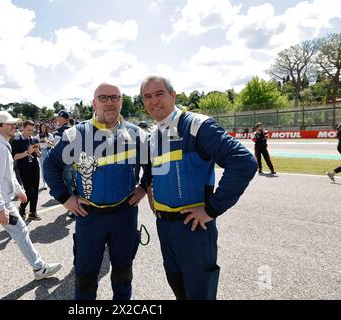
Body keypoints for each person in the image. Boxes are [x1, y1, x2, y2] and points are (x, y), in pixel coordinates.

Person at [140, 76, 257, 300]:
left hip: (193, 227)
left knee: (199, 293)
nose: (154, 101)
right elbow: (151, 171)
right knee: (178, 288)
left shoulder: (196, 125)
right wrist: (149, 191)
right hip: (164, 227)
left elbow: (243, 161)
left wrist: (212, 209)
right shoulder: (153, 135)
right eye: (147, 97)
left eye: (159, 94)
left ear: (173, 95)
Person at [44, 83, 150, 300]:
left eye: (115, 97)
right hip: (89, 216)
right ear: (94, 103)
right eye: (103, 98)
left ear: (121, 101)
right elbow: (50, 165)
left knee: (123, 272)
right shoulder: (76, 134)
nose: (110, 102)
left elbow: (153, 164)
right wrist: (65, 197)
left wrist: (143, 187)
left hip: (124, 214)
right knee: (85, 274)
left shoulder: (136, 133)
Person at [0, 111, 61, 289]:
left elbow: (5, 174)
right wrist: (1, 208)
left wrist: (18, 189)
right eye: (9, 124)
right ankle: (39, 268)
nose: (14, 126)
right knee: (20, 231)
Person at [11, 120, 42, 221]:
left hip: (35, 167)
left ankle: (33, 212)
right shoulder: (16, 139)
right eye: (28, 130)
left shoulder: (34, 138)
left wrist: (37, 152)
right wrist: (28, 152)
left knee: (35, 191)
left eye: (32, 130)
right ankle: (22, 208)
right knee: (29, 192)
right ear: (23, 128)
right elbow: (15, 156)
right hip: (24, 169)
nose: (30, 132)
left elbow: (39, 154)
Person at [37, 123, 54, 191]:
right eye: (42, 127)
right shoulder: (37, 136)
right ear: (40, 128)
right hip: (41, 152)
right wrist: (39, 142)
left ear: (46, 128)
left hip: (48, 151)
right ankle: (44, 183)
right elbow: (36, 145)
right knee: (43, 168)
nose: (43, 128)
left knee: (50, 167)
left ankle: (51, 182)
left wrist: (46, 141)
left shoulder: (50, 135)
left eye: (44, 127)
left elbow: (52, 144)